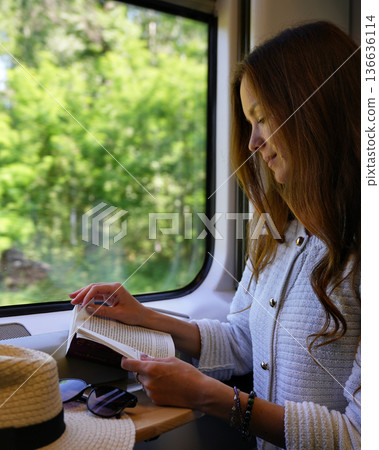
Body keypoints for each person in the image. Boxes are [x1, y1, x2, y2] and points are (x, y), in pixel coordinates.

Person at [70, 21, 360, 449]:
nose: (253, 143)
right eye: (249, 123)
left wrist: (211, 396)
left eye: (262, 118)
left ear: (317, 111)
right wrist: (145, 316)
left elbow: (360, 434)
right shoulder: (278, 234)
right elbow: (242, 339)